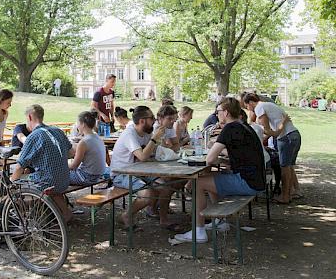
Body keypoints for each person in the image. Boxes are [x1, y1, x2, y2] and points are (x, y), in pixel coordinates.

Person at [173, 97, 266, 243]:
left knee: (198, 183)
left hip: (248, 182)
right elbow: (240, 154)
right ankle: (221, 222)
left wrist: (214, 148)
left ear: (226, 113)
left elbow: (209, 159)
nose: (217, 114)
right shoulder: (245, 127)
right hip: (257, 180)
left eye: (219, 111)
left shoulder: (229, 128)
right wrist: (221, 156)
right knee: (211, 174)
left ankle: (199, 231)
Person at [110, 106, 178, 229]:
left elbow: (152, 152)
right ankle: (126, 215)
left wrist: (162, 147)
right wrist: (154, 138)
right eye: (152, 118)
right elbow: (142, 156)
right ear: (142, 121)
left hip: (139, 171)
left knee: (165, 187)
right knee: (147, 194)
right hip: (121, 174)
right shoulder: (129, 134)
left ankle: (164, 220)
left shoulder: (146, 133)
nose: (154, 121)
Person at [11, 104, 73, 222]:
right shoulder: (57, 131)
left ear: (29, 117)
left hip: (47, 183)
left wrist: (11, 185)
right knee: (52, 181)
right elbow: (70, 152)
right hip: (64, 180)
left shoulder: (34, 136)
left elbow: (19, 166)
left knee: (16, 188)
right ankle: (66, 213)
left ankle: (24, 220)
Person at [242, 93, 302, 203]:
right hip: (294, 134)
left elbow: (269, 131)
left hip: (285, 137)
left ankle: (285, 196)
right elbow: (270, 132)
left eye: (246, 106)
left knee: (284, 167)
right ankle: (294, 191)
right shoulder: (269, 104)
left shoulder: (259, 107)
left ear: (250, 103)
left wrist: (279, 127)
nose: (248, 109)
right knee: (289, 166)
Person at [68, 111, 107, 185]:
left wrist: (62, 166)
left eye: (78, 123)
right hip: (99, 175)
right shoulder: (98, 138)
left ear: (83, 124)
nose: (77, 126)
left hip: (87, 177)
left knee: (57, 178)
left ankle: (57, 196)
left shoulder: (84, 142)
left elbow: (73, 166)